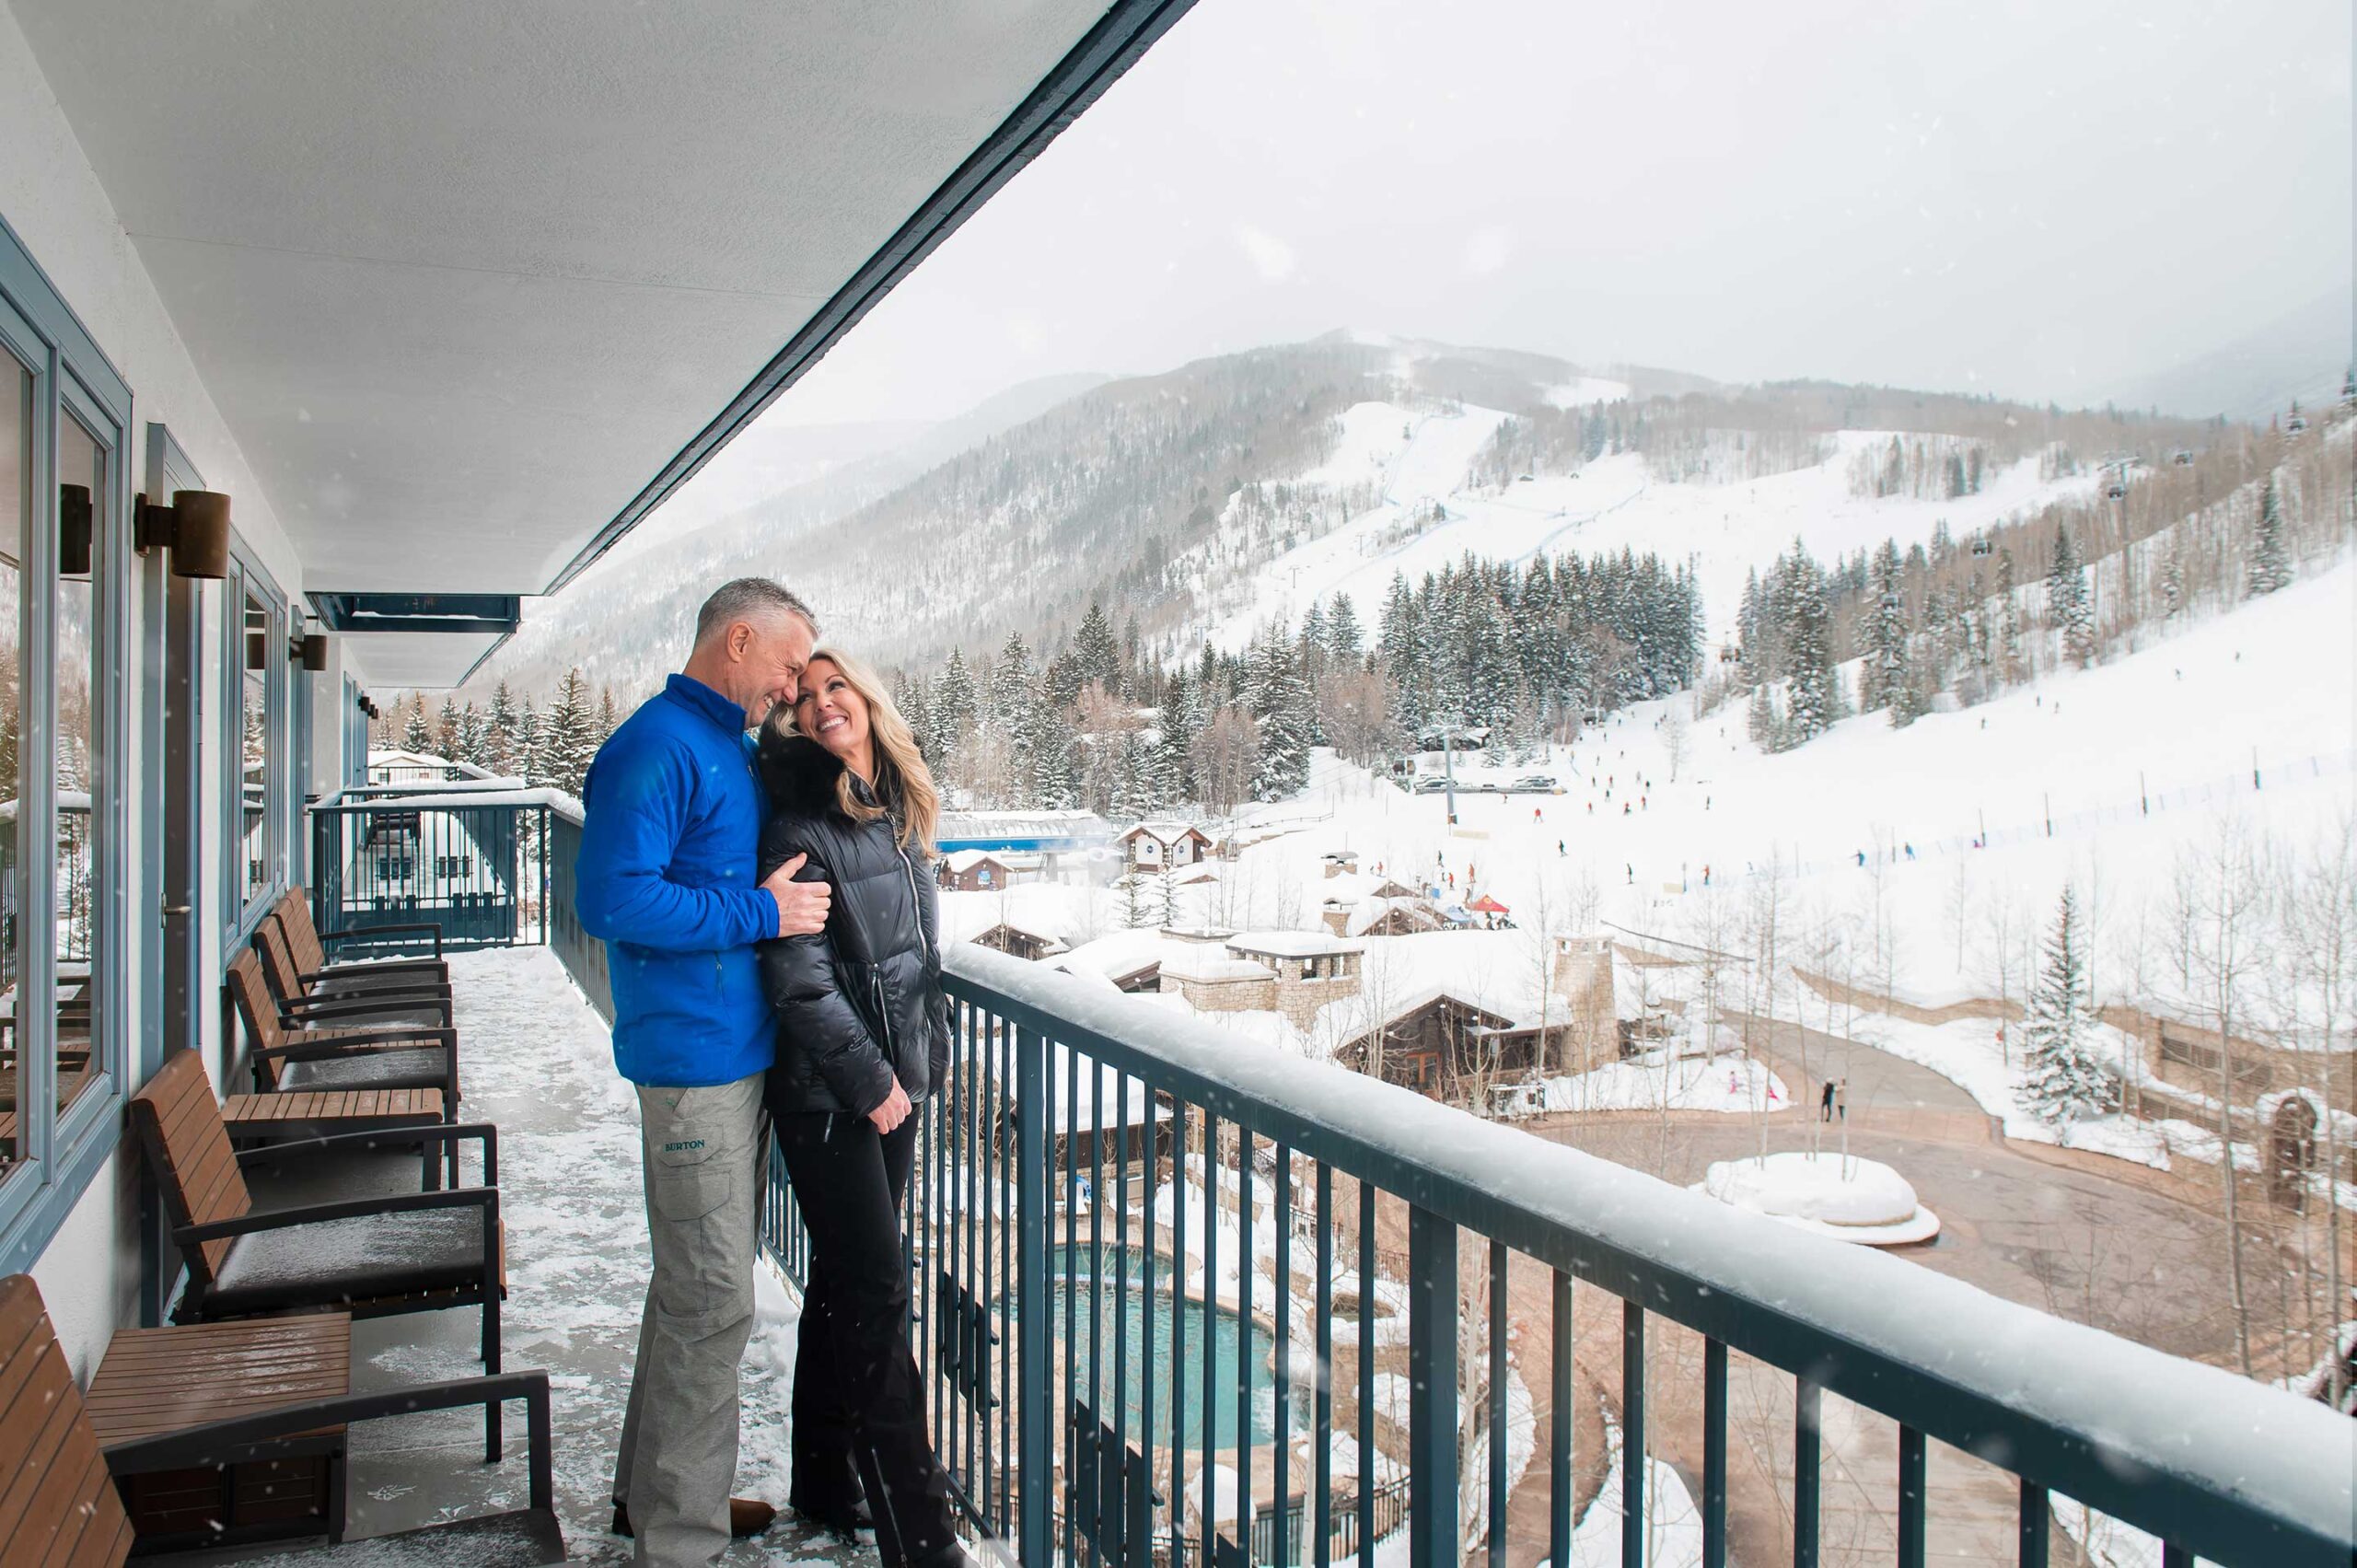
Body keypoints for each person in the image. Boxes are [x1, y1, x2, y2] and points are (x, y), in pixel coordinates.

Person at [575, 578, 830, 1564]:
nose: (790, 683)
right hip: (691, 1063)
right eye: (785, 662)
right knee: (715, 1291)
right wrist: (759, 916)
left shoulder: (719, 742)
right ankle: (680, 1540)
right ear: (737, 639)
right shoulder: (656, 746)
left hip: (729, 1055)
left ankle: (657, 1500)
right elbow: (614, 899)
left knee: (687, 1285)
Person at [757, 650, 972, 1568]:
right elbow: (798, 979)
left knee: (846, 1288)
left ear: (867, 697)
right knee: (879, 1300)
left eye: (833, 685)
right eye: (803, 696)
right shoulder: (799, 817)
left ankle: (823, 1478)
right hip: (835, 1098)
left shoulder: (889, 809)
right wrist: (873, 1081)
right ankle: (919, 1535)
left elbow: (908, 954)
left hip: (890, 1087)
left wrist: (925, 1056)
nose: (819, 703)